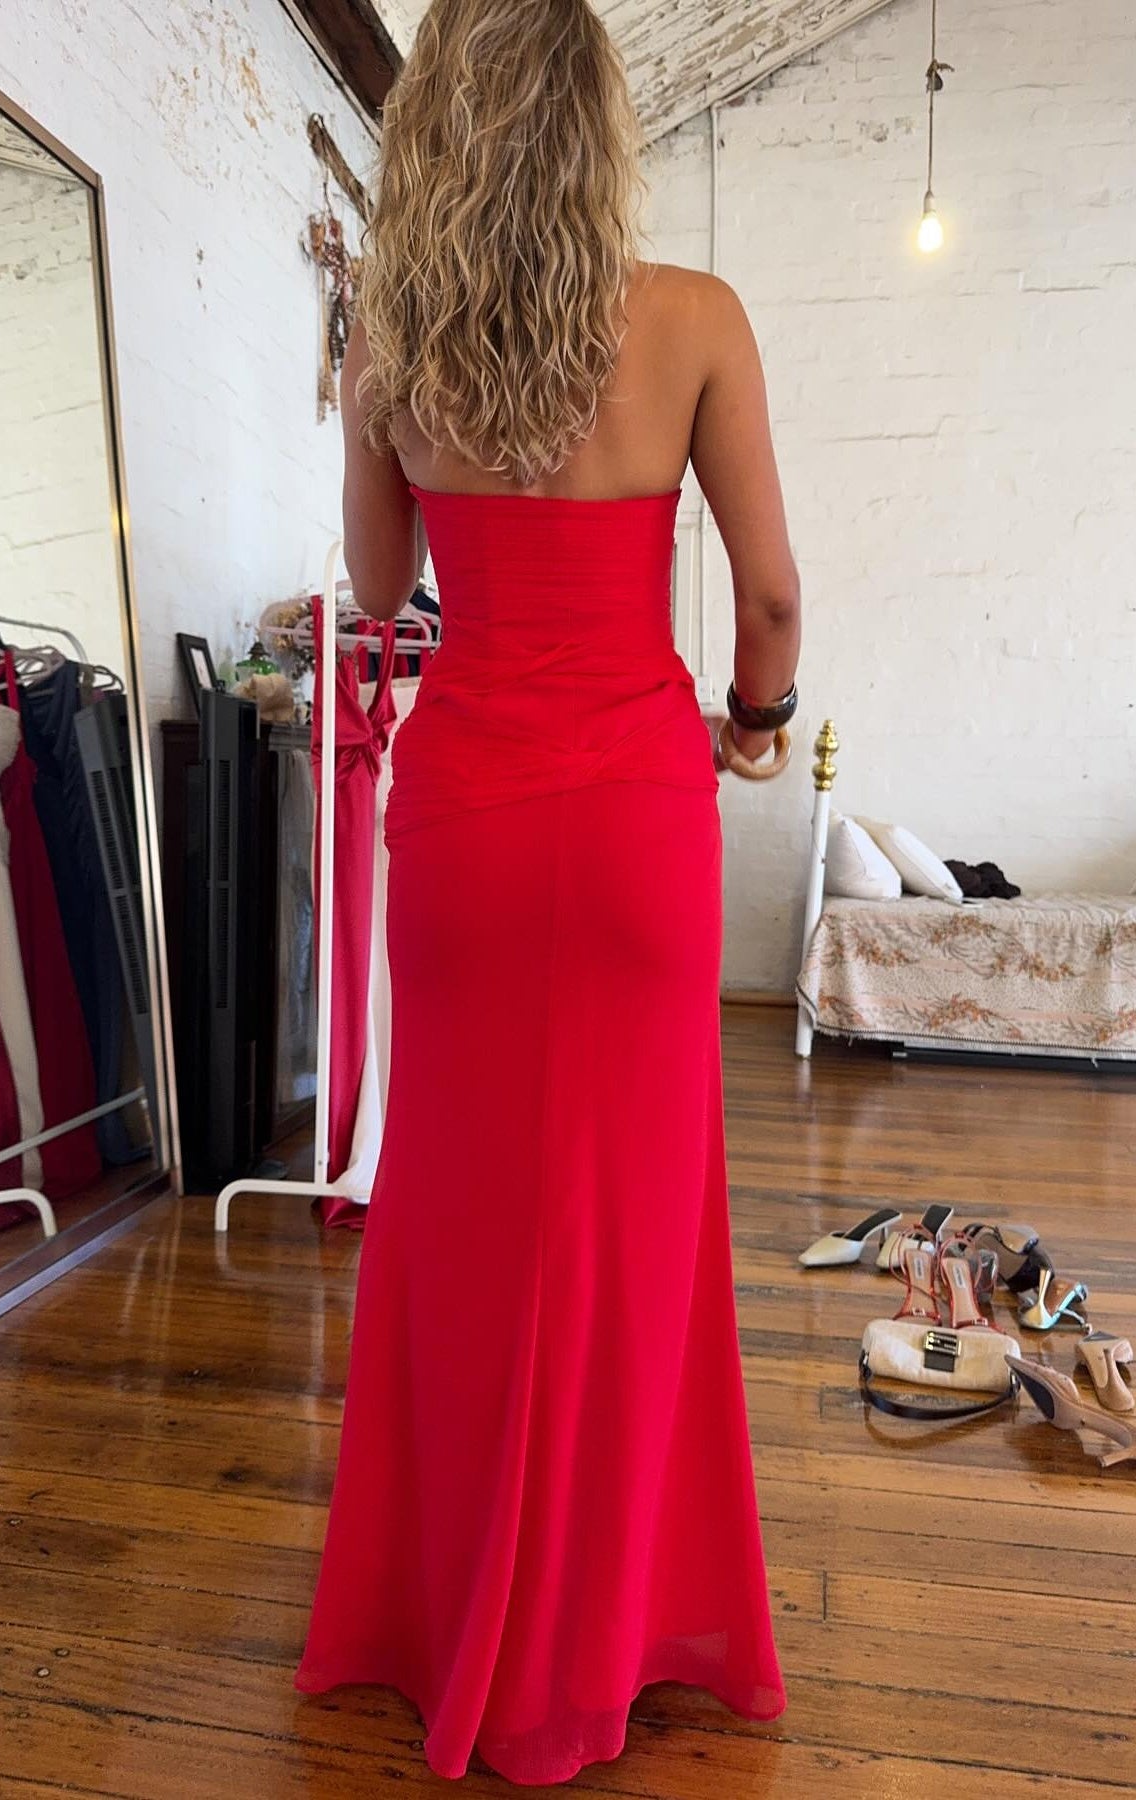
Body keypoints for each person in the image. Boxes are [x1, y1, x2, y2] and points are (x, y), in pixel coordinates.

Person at [295, 0, 801, 1784]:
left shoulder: (391, 335)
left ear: (435, 125)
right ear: (599, 123)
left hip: (471, 815)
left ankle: (459, 1617)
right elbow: (772, 602)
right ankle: (620, 1619)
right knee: (640, 1229)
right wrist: (759, 725)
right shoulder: (695, 318)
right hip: (642, 812)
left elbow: (382, 586)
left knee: (458, 1215)